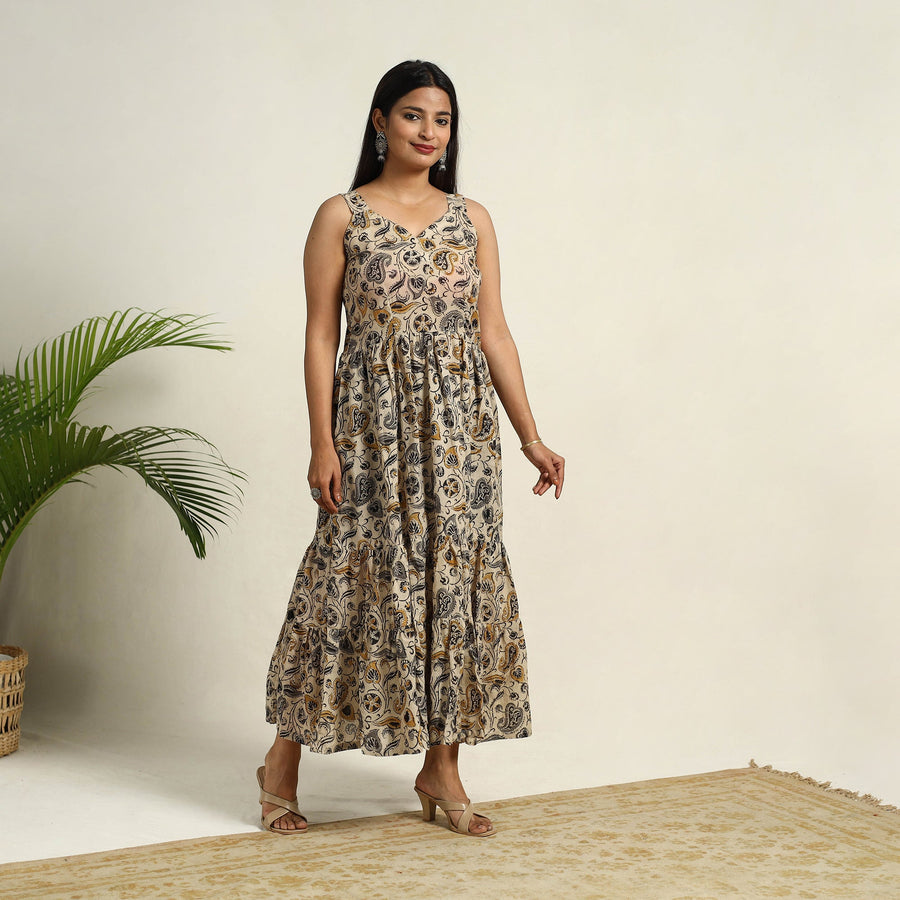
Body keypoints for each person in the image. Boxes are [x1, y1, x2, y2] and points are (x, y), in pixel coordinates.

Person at [259, 59, 565, 838]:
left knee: (454, 587)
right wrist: (321, 441)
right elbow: (320, 335)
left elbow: (494, 332)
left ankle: (442, 766)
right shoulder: (342, 216)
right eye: (413, 116)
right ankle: (282, 761)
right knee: (345, 582)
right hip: (370, 430)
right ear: (380, 120)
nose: (429, 133)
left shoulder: (472, 219)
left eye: (443, 120)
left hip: (460, 434)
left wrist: (530, 435)